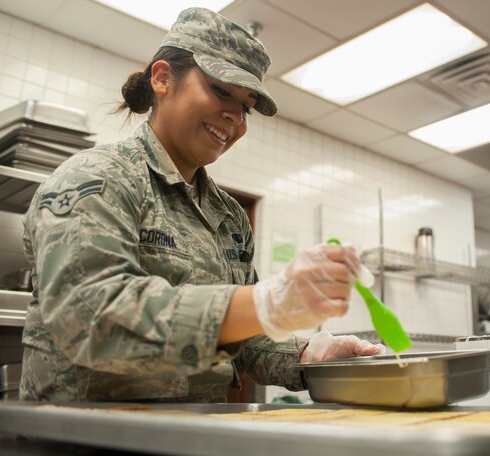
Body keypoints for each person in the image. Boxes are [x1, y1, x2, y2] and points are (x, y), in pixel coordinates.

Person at [20, 7, 384, 402]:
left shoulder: (229, 217)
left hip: (195, 434)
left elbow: (243, 340)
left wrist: (309, 354)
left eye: (245, 107)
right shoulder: (99, 178)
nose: (234, 117)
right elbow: (91, 318)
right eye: (221, 90)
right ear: (162, 78)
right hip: (81, 436)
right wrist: (267, 301)